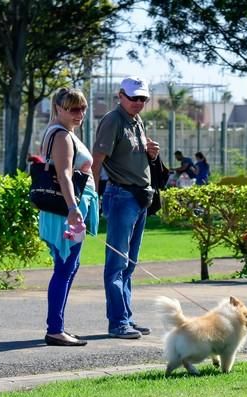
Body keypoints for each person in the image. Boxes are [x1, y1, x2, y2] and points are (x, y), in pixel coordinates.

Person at [92, 76, 160, 339]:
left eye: (143, 98)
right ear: (120, 95)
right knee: (117, 263)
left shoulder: (136, 120)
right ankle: (118, 323)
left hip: (140, 197)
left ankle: (126, 318)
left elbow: (133, 155)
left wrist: (151, 153)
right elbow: (97, 162)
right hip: (121, 196)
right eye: (134, 97)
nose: (139, 103)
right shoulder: (112, 120)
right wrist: (92, 197)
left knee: (130, 264)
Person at [39, 88, 99, 347]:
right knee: (65, 267)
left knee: (67, 267)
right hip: (66, 212)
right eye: (73, 109)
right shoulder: (62, 136)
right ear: (59, 108)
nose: (80, 114)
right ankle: (55, 328)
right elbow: (63, 175)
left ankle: (57, 325)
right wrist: (73, 208)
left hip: (66, 211)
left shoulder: (59, 132)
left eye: (82, 108)